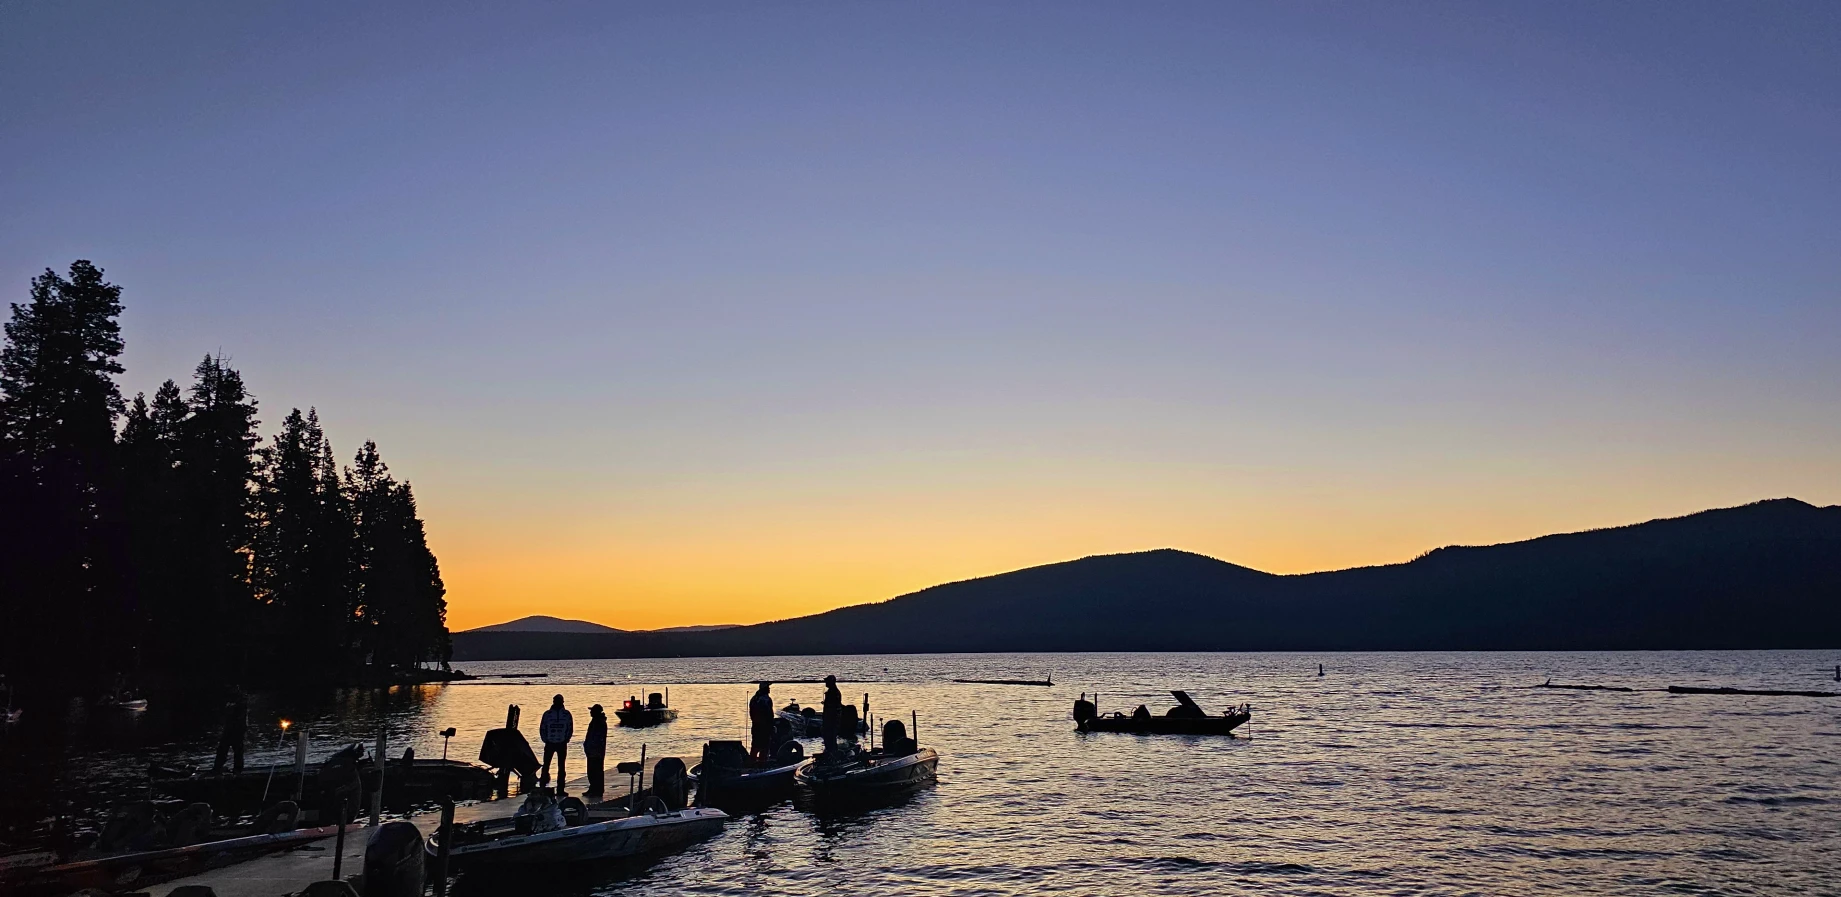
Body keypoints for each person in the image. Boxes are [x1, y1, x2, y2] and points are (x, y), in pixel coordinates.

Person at [539, 694, 573, 795]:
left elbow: (570, 728)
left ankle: (560, 789)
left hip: (562, 743)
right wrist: (545, 740)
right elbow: (542, 728)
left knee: (561, 767)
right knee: (546, 766)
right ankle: (542, 787)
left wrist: (566, 739)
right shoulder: (547, 714)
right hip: (550, 743)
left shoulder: (566, 714)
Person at [213, 692, 247, 775]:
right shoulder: (232, 704)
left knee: (237, 751)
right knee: (223, 749)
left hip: (237, 731)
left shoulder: (240, 705)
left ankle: (237, 770)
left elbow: (239, 717)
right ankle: (218, 768)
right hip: (229, 730)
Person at [582, 704, 607, 798]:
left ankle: (597, 790)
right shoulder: (596, 721)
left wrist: (593, 748)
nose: (590, 712)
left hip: (596, 751)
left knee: (596, 771)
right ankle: (593, 788)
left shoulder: (599, 722)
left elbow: (597, 738)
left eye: (592, 711)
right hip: (592, 750)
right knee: (592, 771)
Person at [748, 682, 775, 761]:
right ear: (764, 688)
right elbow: (769, 714)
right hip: (764, 727)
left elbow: (752, 713)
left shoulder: (754, 698)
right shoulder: (766, 699)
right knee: (765, 747)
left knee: (755, 746)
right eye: (768, 687)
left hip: (756, 726)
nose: (769, 689)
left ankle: (752, 763)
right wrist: (771, 726)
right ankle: (762, 764)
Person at [820, 675, 844, 754]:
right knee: (828, 738)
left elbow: (833, 707)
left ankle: (832, 755)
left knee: (831, 738)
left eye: (827, 681)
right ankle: (830, 753)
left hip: (831, 720)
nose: (825, 683)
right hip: (829, 719)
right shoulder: (831, 692)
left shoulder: (833, 693)